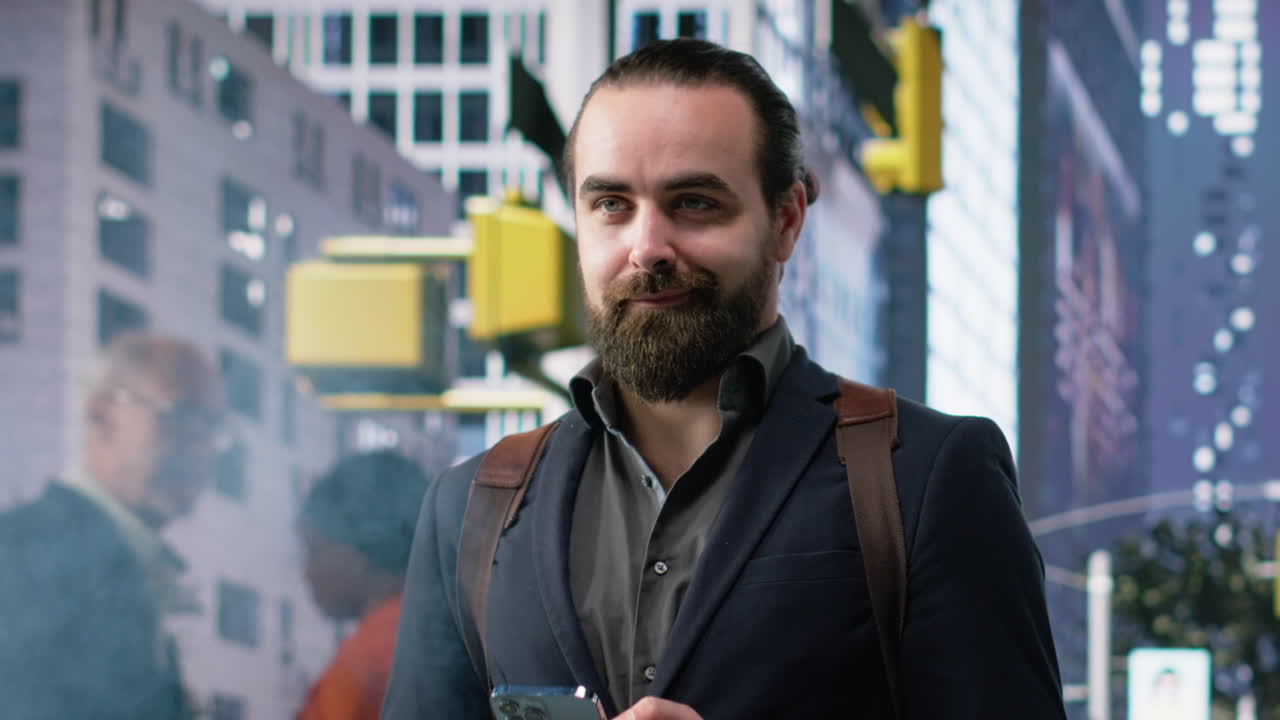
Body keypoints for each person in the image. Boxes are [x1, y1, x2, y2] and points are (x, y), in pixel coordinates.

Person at [383, 39, 1066, 720]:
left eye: (694, 203)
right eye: (612, 205)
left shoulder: (926, 476)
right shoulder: (470, 509)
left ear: (786, 221)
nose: (647, 248)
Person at [0, 332, 227, 720]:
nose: (203, 448)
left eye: (214, 429)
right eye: (183, 417)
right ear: (102, 415)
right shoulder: (25, 554)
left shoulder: (123, 560)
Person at [296, 451, 430, 720]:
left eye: (315, 549)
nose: (308, 571)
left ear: (359, 548)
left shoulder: (366, 662)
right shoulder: (447, 632)